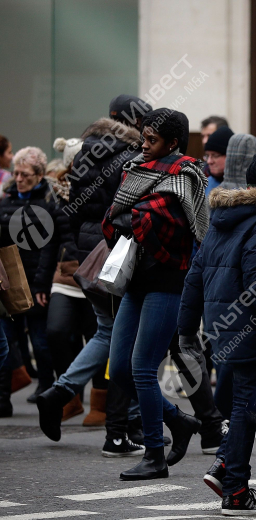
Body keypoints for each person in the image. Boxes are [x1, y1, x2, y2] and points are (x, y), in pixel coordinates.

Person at [179, 153, 256, 516]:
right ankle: (235, 490)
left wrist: (186, 328)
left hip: (222, 327)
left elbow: (195, 277)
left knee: (242, 404)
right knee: (249, 408)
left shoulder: (220, 219)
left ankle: (222, 466)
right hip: (252, 327)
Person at [37, 95, 152, 456]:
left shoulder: (85, 152)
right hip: (118, 252)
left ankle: (60, 393)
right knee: (124, 337)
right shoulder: (131, 158)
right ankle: (118, 430)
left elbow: (70, 211)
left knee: (108, 331)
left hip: (90, 252)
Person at [103, 108, 206, 480]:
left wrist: (136, 212)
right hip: (135, 281)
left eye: (152, 140)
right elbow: (115, 215)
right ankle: (179, 421)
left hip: (168, 282)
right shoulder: (136, 168)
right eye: (143, 138)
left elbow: (165, 222)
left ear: (173, 143)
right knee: (121, 370)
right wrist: (136, 212)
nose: (144, 146)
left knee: (143, 368)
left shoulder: (187, 174)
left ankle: (154, 455)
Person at [45, 136, 103, 424]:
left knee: (98, 336)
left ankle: (100, 403)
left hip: (95, 275)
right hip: (64, 274)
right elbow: (50, 239)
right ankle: (69, 395)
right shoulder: (57, 193)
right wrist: (41, 282)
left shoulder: (103, 187)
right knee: (56, 332)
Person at [0, 146, 60, 407]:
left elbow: (51, 247)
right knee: (8, 341)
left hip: (37, 279)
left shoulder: (50, 200)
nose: (19, 178)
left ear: (40, 175)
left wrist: (42, 284)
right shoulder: (7, 199)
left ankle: (46, 386)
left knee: (40, 340)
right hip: (9, 280)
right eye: (16, 173)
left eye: (25, 174)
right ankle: (3, 397)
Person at [204, 126, 234, 198]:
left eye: (215, 155)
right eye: (207, 156)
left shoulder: (243, 187)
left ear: (229, 156)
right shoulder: (205, 184)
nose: (209, 161)